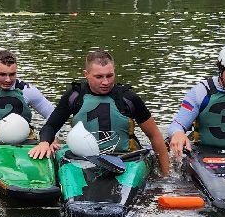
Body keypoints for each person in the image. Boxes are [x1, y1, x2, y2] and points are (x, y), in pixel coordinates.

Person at [28, 49, 170, 175]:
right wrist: (44, 143)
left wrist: (166, 176)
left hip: (125, 159)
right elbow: (51, 126)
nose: (106, 82)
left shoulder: (128, 98)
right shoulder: (74, 96)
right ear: (86, 74)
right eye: (99, 77)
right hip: (83, 159)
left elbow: (154, 135)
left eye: (109, 76)